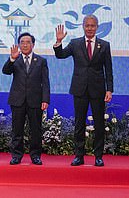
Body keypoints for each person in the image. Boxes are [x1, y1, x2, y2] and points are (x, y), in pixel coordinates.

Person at [54, 15, 113, 167]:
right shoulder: (75, 43)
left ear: (97, 27)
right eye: (87, 25)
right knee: (79, 124)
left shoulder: (105, 45)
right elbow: (60, 55)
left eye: (93, 26)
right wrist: (59, 42)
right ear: (83, 26)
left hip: (98, 90)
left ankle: (98, 156)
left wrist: (109, 90)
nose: (90, 28)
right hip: (79, 89)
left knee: (99, 124)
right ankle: (79, 156)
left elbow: (109, 69)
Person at [2, 32, 49, 165]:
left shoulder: (41, 61)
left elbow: (45, 82)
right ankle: (16, 155)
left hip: (35, 100)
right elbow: (5, 71)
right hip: (18, 100)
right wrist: (11, 59)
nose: (25, 44)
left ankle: (35, 156)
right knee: (17, 130)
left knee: (35, 130)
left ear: (33, 44)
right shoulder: (15, 59)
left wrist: (45, 99)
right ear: (19, 44)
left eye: (28, 42)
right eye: (22, 42)